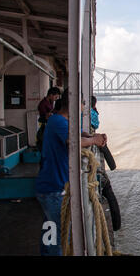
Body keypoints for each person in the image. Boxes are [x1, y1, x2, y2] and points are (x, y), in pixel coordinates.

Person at [35, 89, 107, 256]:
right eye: (83, 104)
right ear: (76, 104)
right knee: (61, 236)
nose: (84, 107)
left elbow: (75, 133)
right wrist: (94, 140)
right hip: (54, 188)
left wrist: (88, 135)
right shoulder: (58, 121)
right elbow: (72, 141)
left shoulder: (58, 120)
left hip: (50, 186)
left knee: (51, 232)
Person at [37, 87, 61, 151]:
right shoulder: (43, 104)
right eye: (55, 97)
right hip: (43, 127)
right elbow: (44, 117)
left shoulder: (50, 102)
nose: (56, 99)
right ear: (50, 95)